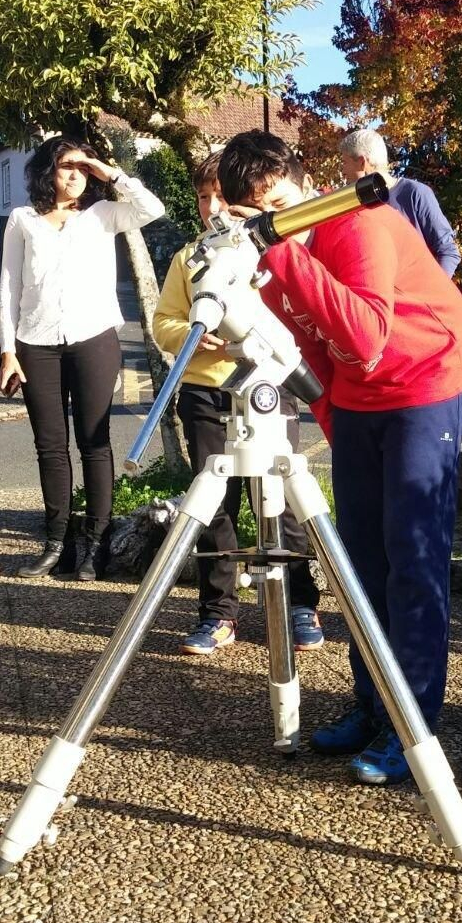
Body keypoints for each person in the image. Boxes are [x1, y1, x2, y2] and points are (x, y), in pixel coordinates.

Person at [218, 130, 462, 786]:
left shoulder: (355, 222)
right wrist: (339, 430)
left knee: (412, 560)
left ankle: (412, 727)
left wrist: (283, 254)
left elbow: (362, 336)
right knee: (360, 559)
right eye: (256, 211)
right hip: (358, 399)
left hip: (424, 379)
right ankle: (372, 704)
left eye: (279, 201)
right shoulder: (274, 264)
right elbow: (312, 360)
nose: (272, 220)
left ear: (303, 186)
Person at [150, 152, 325, 655]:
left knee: (282, 500)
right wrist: (194, 333)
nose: (211, 207)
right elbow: (165, 322)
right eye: (203, 198)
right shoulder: (191, 257)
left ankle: (299, 603)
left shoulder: (271, 251)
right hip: (207, 390)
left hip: (269, 388)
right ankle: (218, 614)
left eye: (221, 198)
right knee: (214, 509)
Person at [0, 137, 166, 581]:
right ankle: (56, 543)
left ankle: (96, 544)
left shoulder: (103, 215)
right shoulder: (23, 220)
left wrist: (106, 170)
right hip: (35, 342)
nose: (73, 175)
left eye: (80, 168)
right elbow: (9, 287)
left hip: (94, 338)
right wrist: (8, 350)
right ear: (47, 171)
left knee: (95, 442)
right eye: (65, 166)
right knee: (50, 446)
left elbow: (153, 209)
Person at [338, 127, 462, 276]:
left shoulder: (415, 194)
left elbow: (448, 251)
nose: (342, 171)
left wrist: (432, 295)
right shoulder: (356, 205)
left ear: (362, 162)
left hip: (416, 296)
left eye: (344, 162)